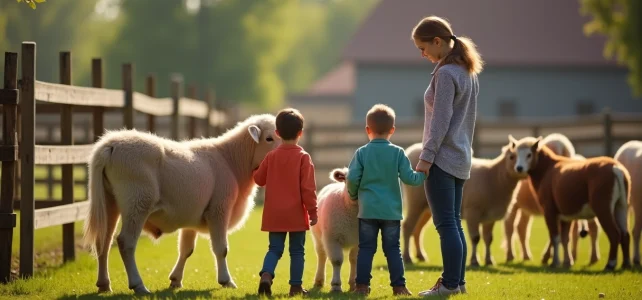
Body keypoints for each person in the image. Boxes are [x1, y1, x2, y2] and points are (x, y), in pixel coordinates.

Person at [410, 16, 484, 297]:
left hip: (442, 160)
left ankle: (450, 284)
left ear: (437, 42)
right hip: (461, 157)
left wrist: (425, 159)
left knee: (446, 225)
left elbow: (440, 122)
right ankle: (458, 282)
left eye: (423, 47)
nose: (422, 53)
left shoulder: (445, 74)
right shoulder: (466, 71)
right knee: (454, 222)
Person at [346, 104, 427, 296]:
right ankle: (399, 287)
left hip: (367, 211)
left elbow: (351, 178)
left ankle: (362, 287)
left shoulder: (362, 153)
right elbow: (410, 178)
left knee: (365, 249)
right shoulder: (398, 153)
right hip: (391, 212)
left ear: (368, 130)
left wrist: (353, 194)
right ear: (392, 130)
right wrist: (422, 175)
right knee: (393, 250)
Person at [253, 108, 318, 297]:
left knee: (274, 249)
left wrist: (254, 170)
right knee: (297, 251)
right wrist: (313, 212)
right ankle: (296, 287)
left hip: (274, 214)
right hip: (296, 214)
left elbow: (259, 179)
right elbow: (308, 189)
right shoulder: (303, 157)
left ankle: (266, 274)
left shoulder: (271, 156)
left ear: (277, 133)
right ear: (300, 133)